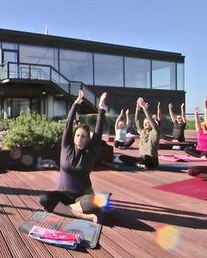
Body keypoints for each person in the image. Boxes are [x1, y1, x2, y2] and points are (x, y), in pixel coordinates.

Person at [38, 90, 107, 223]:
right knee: (43, 198)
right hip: (63, 194)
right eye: (78, 135)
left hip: (82, 196)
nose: (80, 138)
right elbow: (68, 125)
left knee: (99, 202)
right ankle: (83, 216)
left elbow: (98, 133)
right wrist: (75, 104)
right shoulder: (66, 147)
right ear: (74, 137)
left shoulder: (90, 152)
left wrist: (101, 109)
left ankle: (63, 209)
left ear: (88, 139)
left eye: (83, 136)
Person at [119, 97, 161, 169]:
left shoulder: (155, 131)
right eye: (145, 123)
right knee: (121, 157)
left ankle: (139, 163)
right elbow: (137, 120)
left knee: (145, 158)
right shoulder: (142, 131)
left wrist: (145, 109)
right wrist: (137, 109)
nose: (147, 124)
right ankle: (139, 164)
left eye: (148, 123)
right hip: (142, 159)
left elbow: (152, 121)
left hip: (152, 160)